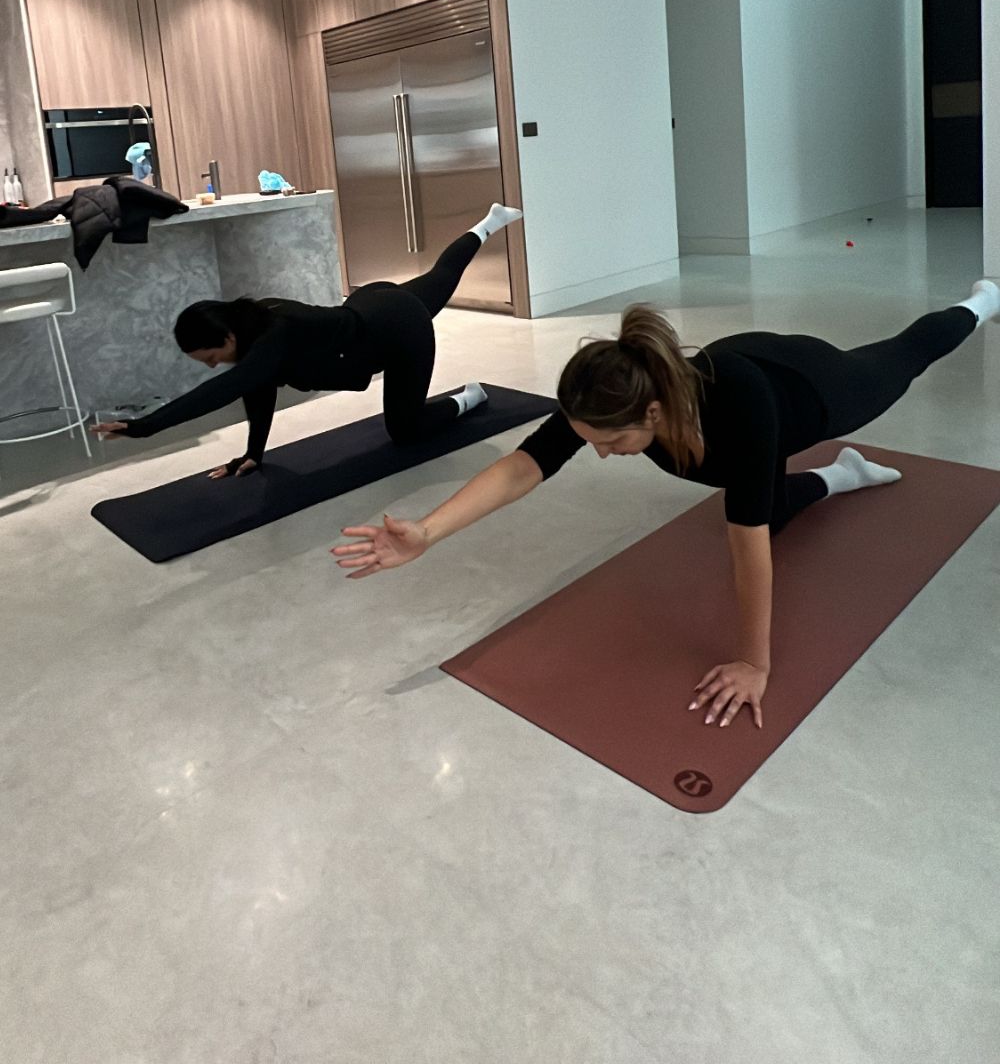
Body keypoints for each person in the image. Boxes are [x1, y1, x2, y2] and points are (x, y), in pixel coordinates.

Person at [333, 278, 1000, 730]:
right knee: (762, 505)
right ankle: (844, 477)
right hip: (730, 392)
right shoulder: (613, 396)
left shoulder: (739, 412)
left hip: (809, 386)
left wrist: (754, 662)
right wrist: (428, 531)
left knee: (904, 357)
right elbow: (525, 465)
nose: (599, 453)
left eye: (612, 441)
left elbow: (748, 549)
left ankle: (980, 301)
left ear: (652, 412)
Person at [91, 203, 523, 477]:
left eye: (210, 356)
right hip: (373, 303)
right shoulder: (254, 329)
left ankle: (469, 398)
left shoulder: (271, 334)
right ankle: (489, 222)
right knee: (441, 276)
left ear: (226, 335)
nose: (212, 365)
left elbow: (223, 390)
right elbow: (257, 389)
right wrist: (254, 453)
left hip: (399, 329)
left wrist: (144, 427)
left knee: (405, 430)